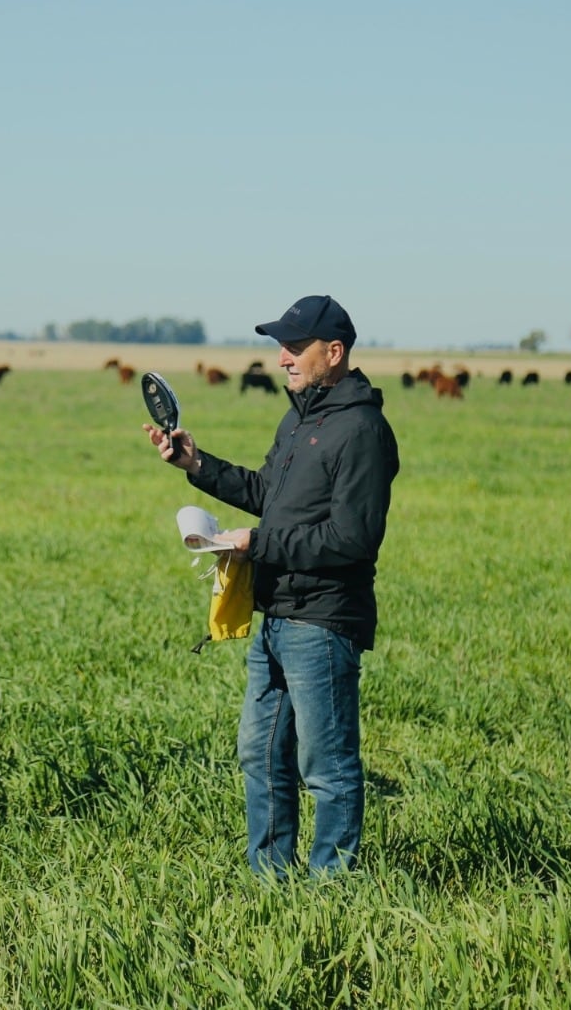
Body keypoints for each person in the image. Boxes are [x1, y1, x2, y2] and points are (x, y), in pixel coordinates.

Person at [144, 294, 398, 878]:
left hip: (323, 621)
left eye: (294, 346)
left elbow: (352, 539)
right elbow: (269, 497)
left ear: (333, 353)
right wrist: (196, 464)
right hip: (276, 614)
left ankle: (331, 893)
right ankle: (272, 884)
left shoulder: (361, 430)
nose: (281, 357)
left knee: (327, 769)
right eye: (279, 346)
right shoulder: (301, 417)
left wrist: (256, 545)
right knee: (260, 755)